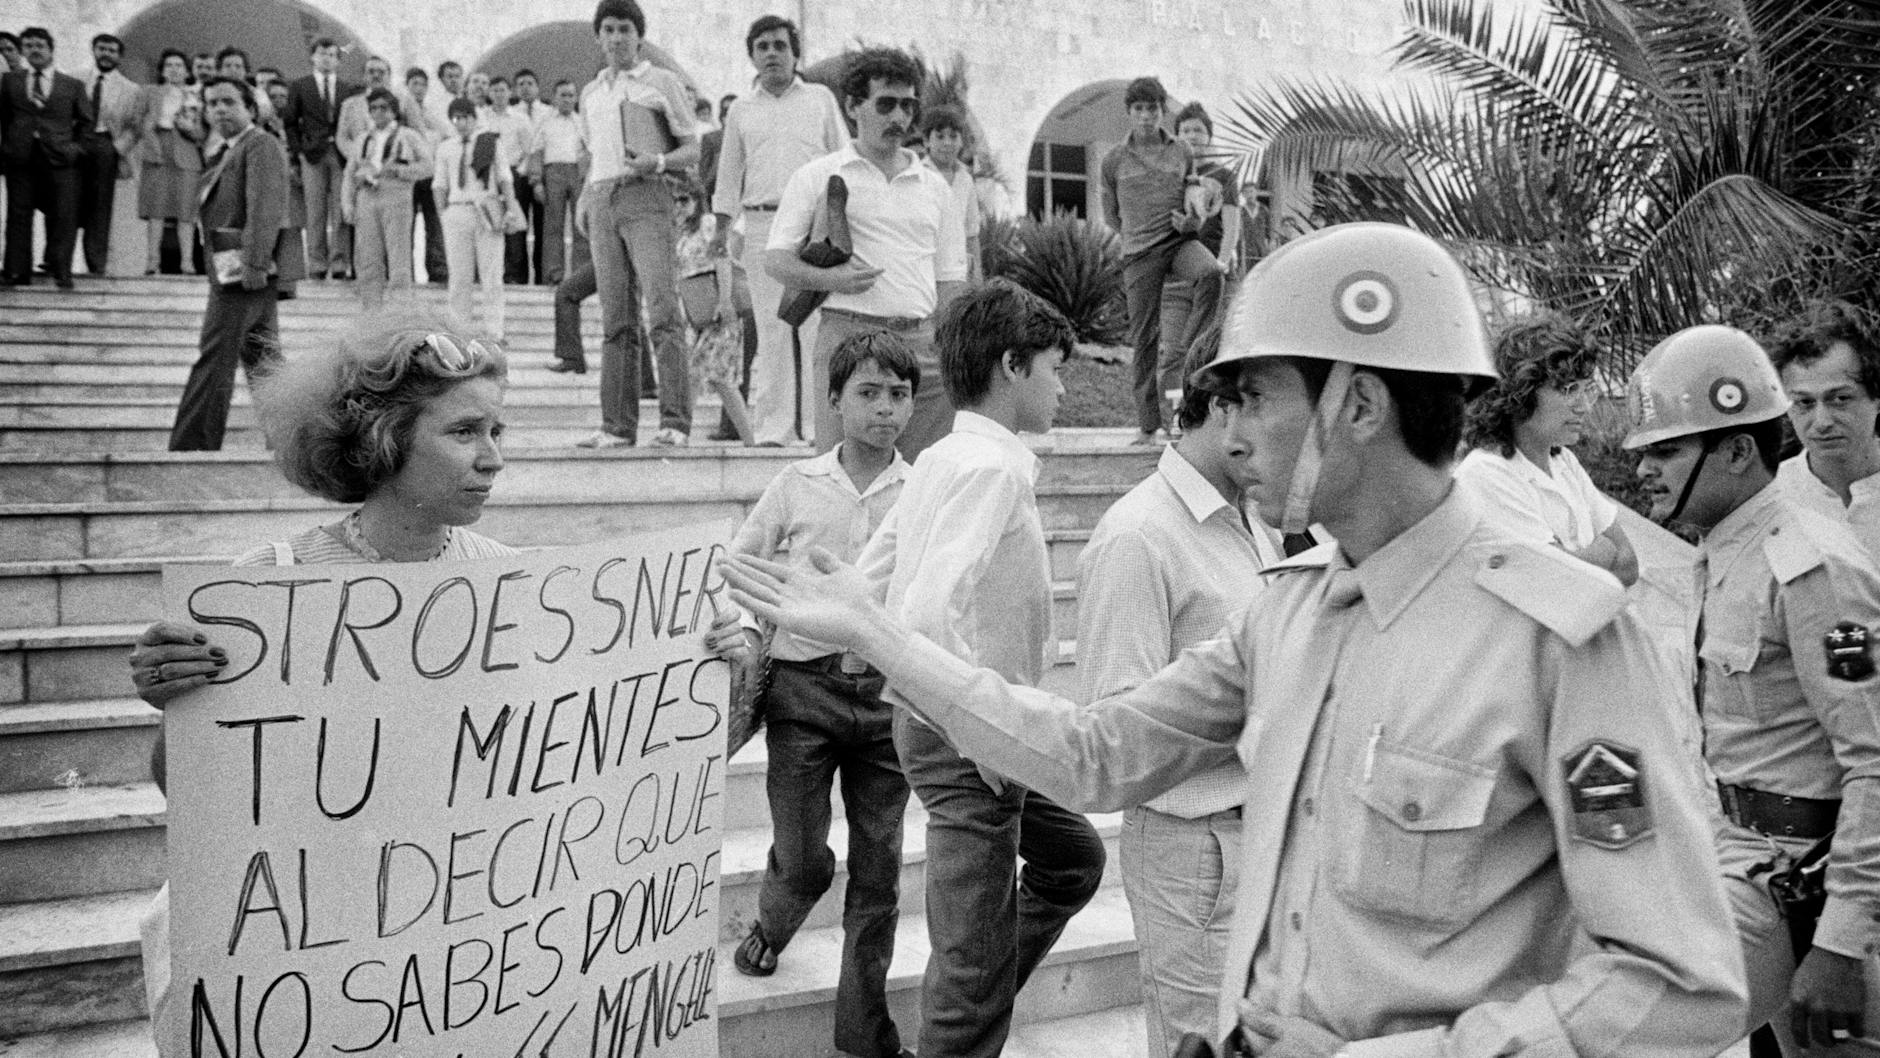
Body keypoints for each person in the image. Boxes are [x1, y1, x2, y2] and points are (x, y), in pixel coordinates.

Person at [725, 223, 1749, 1057]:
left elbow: (1680, 980)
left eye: (1253, 395)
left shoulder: (1559, 640)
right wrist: (878, 634)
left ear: (1357, 401)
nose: (1230, 426)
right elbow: (1091, 751)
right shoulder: (1290, 610)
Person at [128, 314, 516, 1047]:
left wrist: (702, 659)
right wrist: (176, 705)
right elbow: (191, 794)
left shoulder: (513, 581)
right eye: (465, 432)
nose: (493, 459)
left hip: (451, 939)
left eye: (499, 432)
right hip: (311, 942)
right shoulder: (265, 588)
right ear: (385, 439)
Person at [841, 281, 1107, 1058]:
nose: (1062, 386)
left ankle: (979, 995)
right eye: (1055, 368)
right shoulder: (988, 470)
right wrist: (979, 739)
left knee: (1073, 859)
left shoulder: (941, 457)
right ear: (1012, 365)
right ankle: (964, 1024)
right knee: (969, 961)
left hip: (963, 726)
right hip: (969, 736)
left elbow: (869, 572)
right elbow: (924, 615)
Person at [1627, 325, 1880, 1055]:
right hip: (1744, 862)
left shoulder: (1812, 569)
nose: (1647, 470)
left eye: (1667, 450)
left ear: (1737, 450)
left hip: (1807, 889)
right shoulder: (1724, 553)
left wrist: (1838, 943)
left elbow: (1872, 758)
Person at [709, 331, 922, 1058]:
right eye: (867, 392)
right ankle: (775, 920)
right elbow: (737, 566)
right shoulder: (797, 484)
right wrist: (746, 625)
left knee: (881, 869)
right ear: (834, 402)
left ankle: (863, 1031)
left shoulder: (923, 491)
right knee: (802, 856)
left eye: (898, 394)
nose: (885, 409)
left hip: (888, 699)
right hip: (802, 695)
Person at [1078, 326, 1282, 1058]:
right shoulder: (1138, 536)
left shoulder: (1253, 518)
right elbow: (1115, 728)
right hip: (1193, 849)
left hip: (1257, 833)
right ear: (1226, 412)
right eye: (1270, 410)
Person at [766, 47, 967, 458]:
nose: (899, 118)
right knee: (842, 480)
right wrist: (831, 280)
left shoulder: (935, 187)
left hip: (922, 349)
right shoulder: (818, 176)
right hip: (848, 340)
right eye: (886, 104)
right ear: (854, 106)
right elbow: (776, 260)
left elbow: (949, 277)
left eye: (908, 106)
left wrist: (948, 350)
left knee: (922, 481)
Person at [712, 14, 849, 446]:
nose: (771, 53)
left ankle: (815, 428)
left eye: (779, 45)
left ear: (795, 53)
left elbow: (844, 162)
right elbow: (729, 173)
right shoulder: (741, 109)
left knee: (812, 328)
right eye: (762, 47)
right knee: (772, 330)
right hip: (760, 225)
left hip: (811, 227)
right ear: (752, 56)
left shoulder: (821, 100)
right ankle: (774, 430)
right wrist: (720, 230)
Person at [573, 0, 700, 449]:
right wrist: (587, 200)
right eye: (607, 29)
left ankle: (675, 422)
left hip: (648, 194)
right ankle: (616, 426)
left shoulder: (661, 82)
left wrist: (658, 160)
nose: (616, 37)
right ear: (598, 36)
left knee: (663, 311)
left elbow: (692, 149)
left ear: (638, 35)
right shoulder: (591, 94)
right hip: (604, 197)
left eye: (624, 28)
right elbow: (592, 154)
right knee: (615, 318)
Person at [168, 76, 303, 451]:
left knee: (215, 357)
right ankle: (294, 443)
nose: (220, 109)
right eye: (212, 104)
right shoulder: (227, 150)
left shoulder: (260, 143)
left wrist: (255, 265)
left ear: (250, 107)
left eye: (229, 102)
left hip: (244, 271)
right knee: (265, 364)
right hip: (237, 270)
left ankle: (192, 446)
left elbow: (266, 207)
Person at [1456, 314, 1638, 585]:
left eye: (1586, 389)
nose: (1583, 406)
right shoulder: (1485, 472)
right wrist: (1604, 551)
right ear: (1521, 392)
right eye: (1567, 389)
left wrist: (1579, 561)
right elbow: (1557, 582)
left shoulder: (1563, 461)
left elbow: (1630, 566)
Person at [1100, 76, 1218, 444]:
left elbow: (1194, 197)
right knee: (1145, 338)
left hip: (1178, 240)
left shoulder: (1180, 150)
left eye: (1152, 109)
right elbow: (1110, 215)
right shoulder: (1114, 159)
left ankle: (1189, 352)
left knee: (1212, 273)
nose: (1146, 116)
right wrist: (1136, 234)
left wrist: (1192, 222)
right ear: (1129, 113)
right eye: (1139, 109)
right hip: (1139, 253)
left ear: (1161, 111)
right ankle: (1148, 424)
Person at [1768, 300, 1880, 562]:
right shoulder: (1767, 502)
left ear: (1876, 397)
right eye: (1804, 403)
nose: (1822, 422)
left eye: (1839, 399)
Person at [1, 27, 91, 289]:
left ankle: (62, 270)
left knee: (64, 214)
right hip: (21, 157)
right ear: (23, 51)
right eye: (28, 45)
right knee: (18, 214)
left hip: (61, 159)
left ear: (51, 49)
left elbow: (86, 123)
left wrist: (75, 149)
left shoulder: (72, 85)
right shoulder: (10, 81)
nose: (35, 50)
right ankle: (17, 271)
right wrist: (8, 146)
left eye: (40, 45)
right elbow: (5, 118)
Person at [1160, 102, 1238, 396]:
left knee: (1209, 348)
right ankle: (1170, 419)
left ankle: (1201, 412)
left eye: (1198, 130)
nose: (1191, 135)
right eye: (1185, 130)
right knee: (1172, 349)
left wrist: (1222, 260)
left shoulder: (1223, 175)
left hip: (1214, 274)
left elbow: (1232, 225)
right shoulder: (1171, 172)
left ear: (1209, 135)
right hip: (1179, 275)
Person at [671, 175, 754, 444]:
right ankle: (681, 430)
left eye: (685, 199)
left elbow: (723, 259)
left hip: (717, 309)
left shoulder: (707, 225)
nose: (679, 206)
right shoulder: (681, 232)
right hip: (697, 313)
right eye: (674, 200)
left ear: (698, 200)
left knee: (716, 378)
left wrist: (726, 300)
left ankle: (681, 431)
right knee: (704, 376)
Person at [434, 97, 515, 342]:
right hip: (457, 209)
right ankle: (460, 330)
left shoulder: (489, 142)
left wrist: (510, 208)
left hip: (486, 207)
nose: (460, 123)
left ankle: (494, 331)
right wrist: (443, 214)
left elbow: (504, 178)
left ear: (474, 117)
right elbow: (439, 184)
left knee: (492, 274)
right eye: (456, 118)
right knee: (459, 276)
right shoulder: (446, 147)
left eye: (465, 117)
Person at [342, 88, 431, 309]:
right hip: (367, 196)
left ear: (394, 111)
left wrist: (401, 172)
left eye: (384, 108)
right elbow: (348, 174)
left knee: (399, 256)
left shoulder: (408, 136)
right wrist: (347, 203)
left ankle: (400, 310)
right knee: (368, 258)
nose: (378, 113)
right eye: (373, 108)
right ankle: (371, 313)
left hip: (396, 195)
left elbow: (429, 166)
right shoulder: (363, 138)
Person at [283, 38, 358, 279]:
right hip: (312, 153)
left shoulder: (347, 89)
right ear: (313, 57)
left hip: (340, 154)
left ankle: (339, 262)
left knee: (340, 208)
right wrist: (299, 151)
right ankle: (316, 263)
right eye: (322, 53)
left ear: (338, 60)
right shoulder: (300, 85)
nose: (327, 58)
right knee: (315, 210)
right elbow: (290, 122)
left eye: (332, 54)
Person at [134, 50, 203, 276]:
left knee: (186, 210)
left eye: (179, 65)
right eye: (170, 65)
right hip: (158, 148)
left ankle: (187, 262)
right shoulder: (150, 92)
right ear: (163, 70)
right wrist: (148, 133)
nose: (174, 69)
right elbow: (136, 119)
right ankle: (152, 261)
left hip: (186, 149)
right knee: (157, 208)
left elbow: (203, 132)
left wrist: (190, 129)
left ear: (187, 70)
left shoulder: (196, 96)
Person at [78, 32, 139, 276]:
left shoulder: (131, 89)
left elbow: (135, 126)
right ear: (94, 51)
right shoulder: (75, 79)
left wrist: (116, 149)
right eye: (102, 48)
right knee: (66, 201)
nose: (106, 54)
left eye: (112, 50)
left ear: (119, 57)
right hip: (76, 144)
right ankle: (58, 260)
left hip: (106, 145)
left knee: (100, 206)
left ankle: (96, 264)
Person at [531, 78, 587, 285]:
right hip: (553, 172)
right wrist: (536, 181)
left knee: (581, 224)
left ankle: (581, 275)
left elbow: (589, 151)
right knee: (553, 225)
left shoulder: (582, 121)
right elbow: (536, 151)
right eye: (563, 95)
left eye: (571, 95)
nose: (567, 99)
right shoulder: (545, 121)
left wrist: (587, 178)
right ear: (554, 98)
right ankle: (554, 274)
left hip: (577, 172)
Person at [919, 104, 982, 283]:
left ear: (961, 141)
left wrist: (977, 278)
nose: (947, 143)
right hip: (925, 274)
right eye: (939, 137)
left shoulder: (966, 179)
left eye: (953, 137)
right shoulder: (918, 175)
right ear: (926, 141)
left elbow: (972, 233)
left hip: (958, 274)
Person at [483, 75, 535, 285]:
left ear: (510, 92)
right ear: (489, 93)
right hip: (488, 175)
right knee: (491, 222)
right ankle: (493, 274)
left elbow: (529, 149)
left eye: (503, 90)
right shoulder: (482, 117)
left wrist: (519, 173)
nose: (499, 94)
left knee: (514, 225)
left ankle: (516, 276)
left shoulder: (520, 118)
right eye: (494, 90)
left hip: (514, 175)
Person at [405, 66, 449, 285]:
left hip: (432, 176)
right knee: (407, 224)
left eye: (423, 84)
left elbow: (446, 134)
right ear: (407, 87)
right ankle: (407, 272)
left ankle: (438, 271)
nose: (419, 89)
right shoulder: (402, 113)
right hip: (410, 175)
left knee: (435, 224)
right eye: (415, 84)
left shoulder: (434, 113)